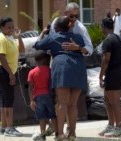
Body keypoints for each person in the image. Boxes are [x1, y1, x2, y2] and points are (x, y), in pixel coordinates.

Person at [34, 16, 87, 141]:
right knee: (73, 104)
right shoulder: (78, 37)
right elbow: (85, 49)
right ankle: (72, 134)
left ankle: (60, 134)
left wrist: (43, 33)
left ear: (56, 27)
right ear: (69, 26)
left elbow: (37, 45)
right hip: (78, 69)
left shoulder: (53, 37)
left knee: (62, 103)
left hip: (62, 68)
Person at [48, 2, 93, 137]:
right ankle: (60, 130)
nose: (74, 19)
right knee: (61, 102)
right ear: (65, 13)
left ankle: (68, 132)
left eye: (76, 16)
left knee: (69, 103)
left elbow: (90, 49)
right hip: (63, 66)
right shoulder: (57, 22)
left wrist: (78, 47)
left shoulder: (80, 28)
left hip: (69, 67)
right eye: (71, 16)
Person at [0, 17, 24, 136]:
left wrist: (19, 36)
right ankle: (9, 128)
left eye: (12, 27)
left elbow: (21, 49)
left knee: (6, 98)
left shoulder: (10, 38)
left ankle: (3, 127)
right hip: (2, 70)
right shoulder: (1, 39)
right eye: (8, 27)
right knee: (9, 98)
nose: (11, 29)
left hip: (6, 71)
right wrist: (11, 74)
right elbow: (1, 57)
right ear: (2, 28)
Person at [98, 17, 121, 138]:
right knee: (107, 100)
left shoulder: (108, 40)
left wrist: (100, 76)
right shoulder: (119, 38)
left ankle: (119, 128)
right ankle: (111, 125)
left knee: (114, 102)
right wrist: (120, 65)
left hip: (113, 73)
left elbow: (106, 59)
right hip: (119, 71)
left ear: (103, 27)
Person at [27, 50, 57, 140]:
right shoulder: (50, 71)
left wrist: (31, 100)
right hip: (49, 95)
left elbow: (30, 87)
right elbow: (54, 85)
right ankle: (58, 133)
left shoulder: (32, 72)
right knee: (53, 115)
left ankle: (43, 135)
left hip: (38, 97)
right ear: (45, 60)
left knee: (41, 117)